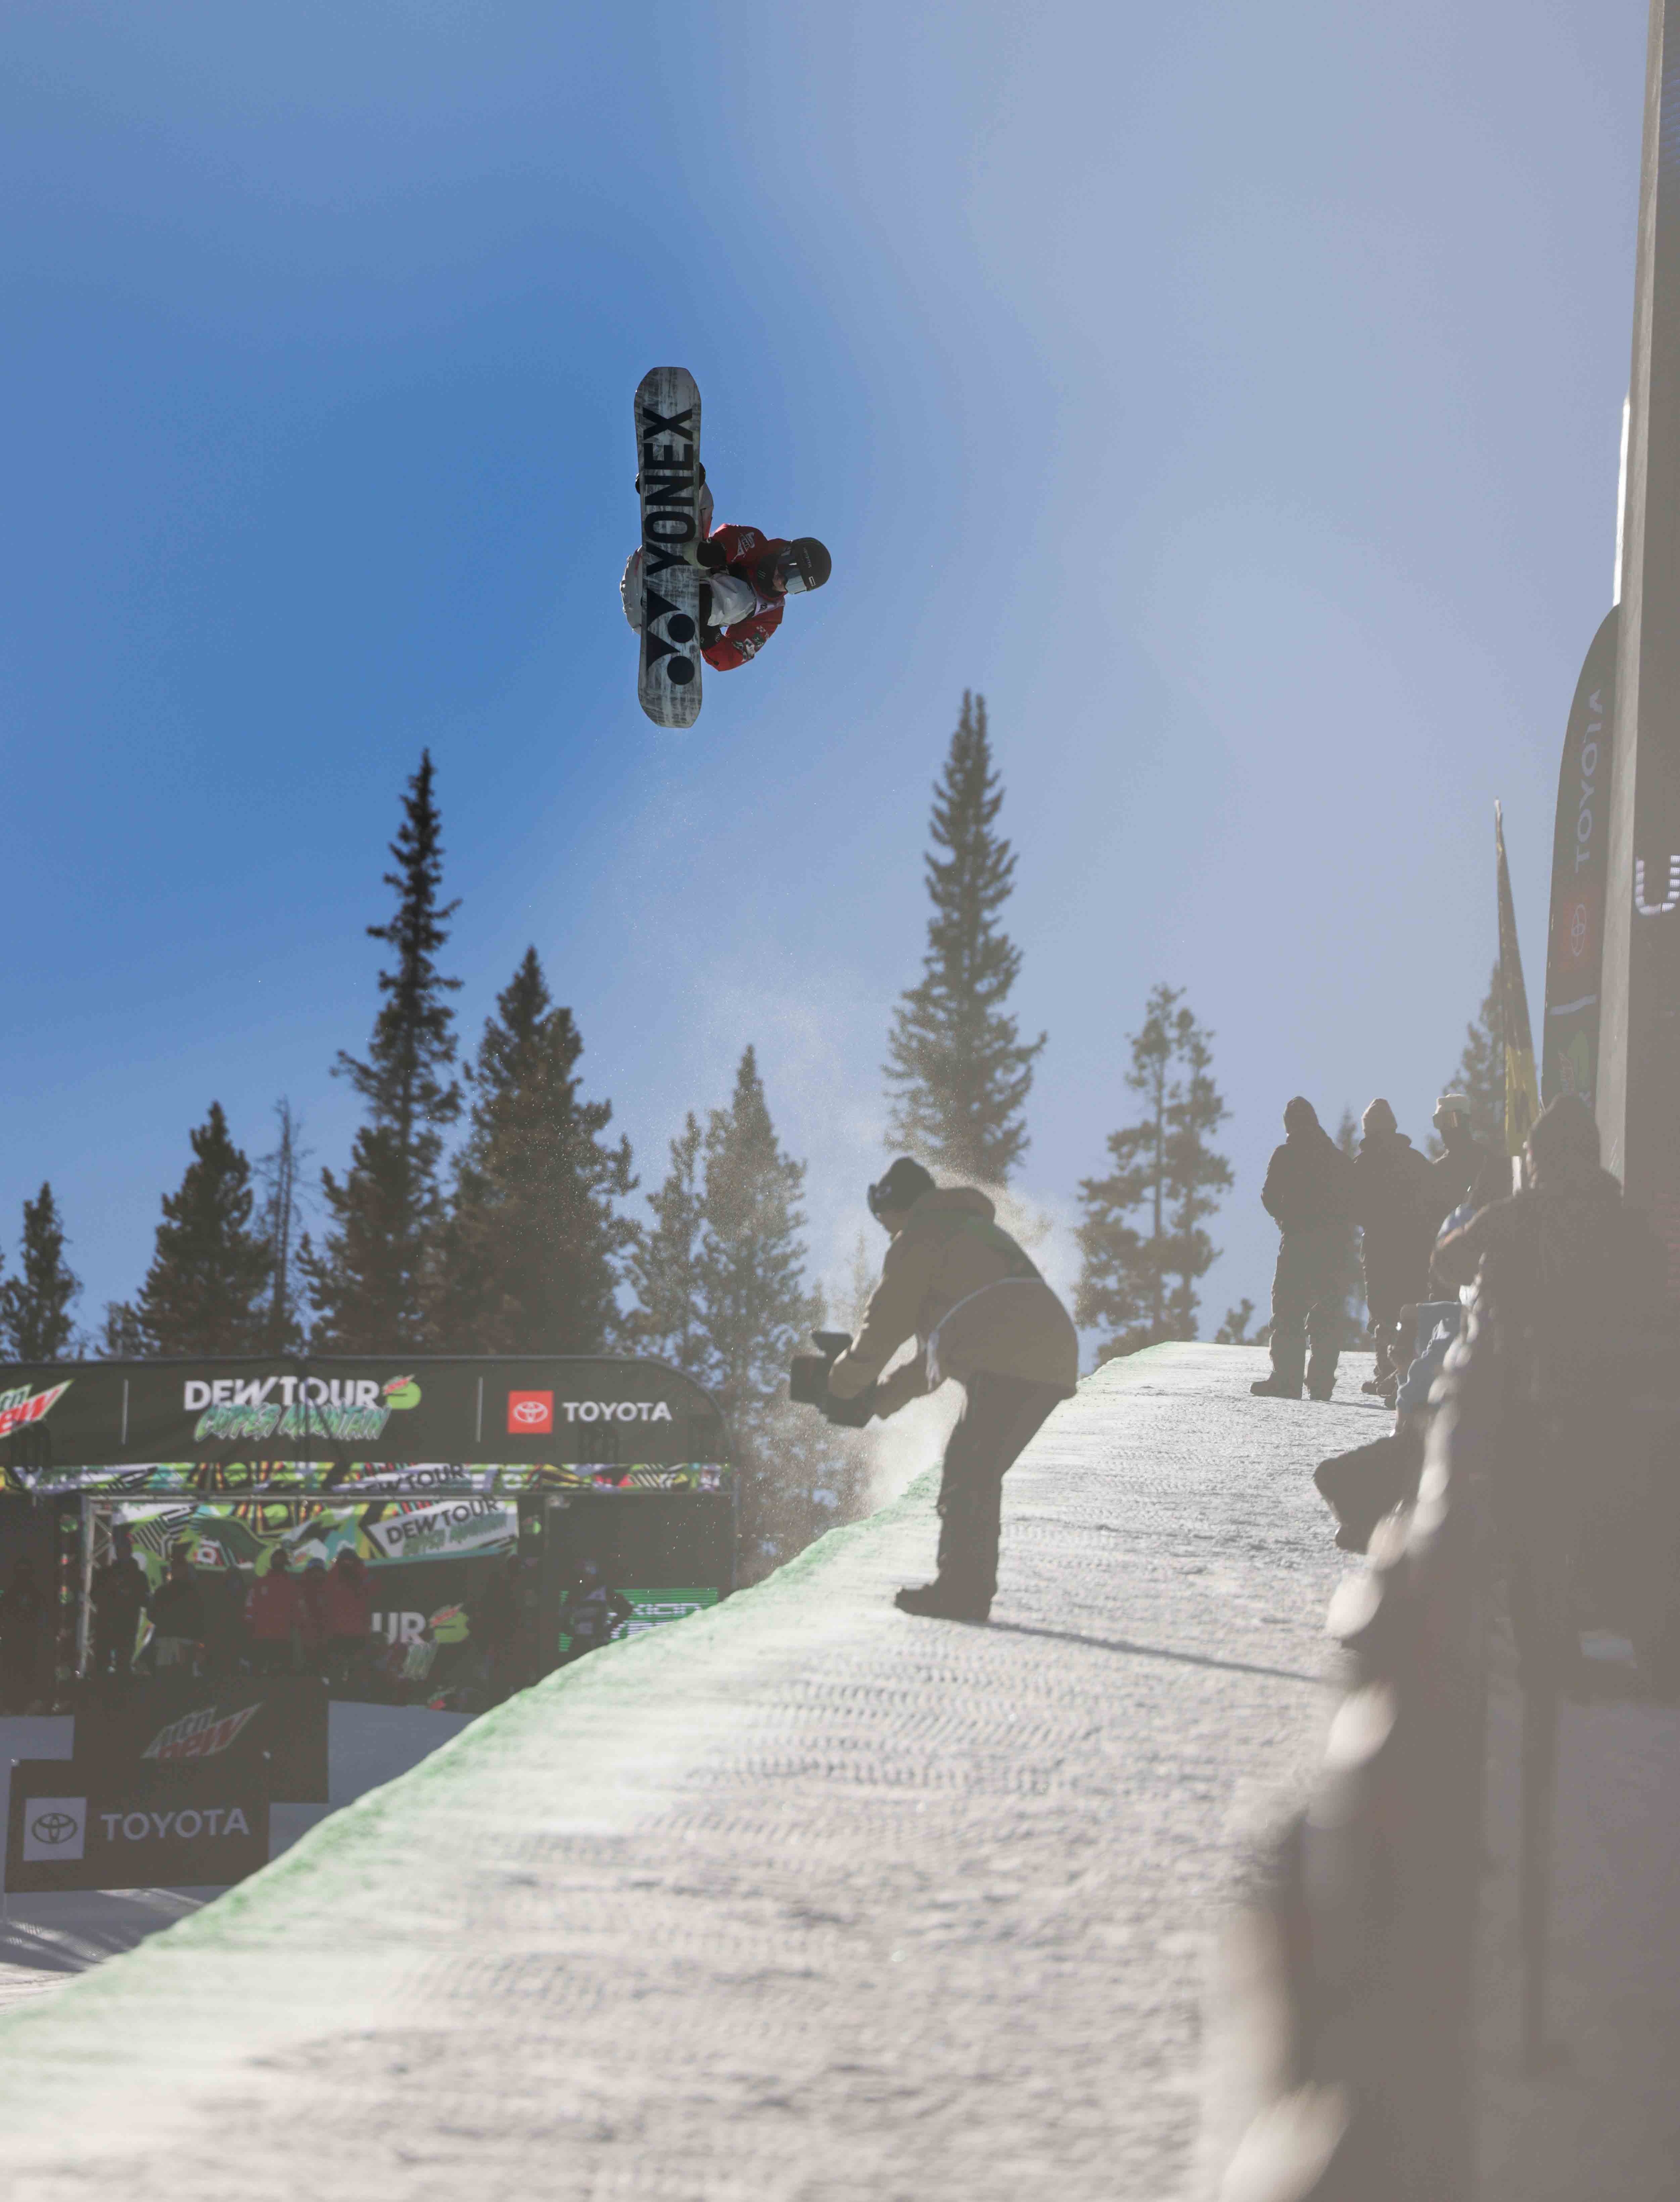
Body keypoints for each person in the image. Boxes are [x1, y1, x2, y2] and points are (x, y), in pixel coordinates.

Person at [827, 1157, 1079, 1623]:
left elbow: (885, 1325)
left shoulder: (921, 1237)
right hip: (1050, 1354)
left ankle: (963, 1593)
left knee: (969, 1470)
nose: (885, 1232)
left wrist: (842, 1384)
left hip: (1010, 1353)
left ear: (895, 1206)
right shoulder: (965, 1233)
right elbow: (936, 1355)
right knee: (975, 1467)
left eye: (883, 1218)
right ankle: (968, 1588)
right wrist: (880, 1400)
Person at [622, 474, 831, 672]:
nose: (783, 580)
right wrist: (715, 552)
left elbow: (734, 655)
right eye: (789, 567)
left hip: (651, 619)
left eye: (795, 584)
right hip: (650, 568)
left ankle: (690, 610)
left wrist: (709, 637)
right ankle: (666, 487)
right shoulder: (757, 543)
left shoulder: (770, 615)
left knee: (747, 600)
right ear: (786, 552)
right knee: (705, 501)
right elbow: (730, 541)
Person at [1251, 1097, 1357, 1401]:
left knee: (1288, 1310)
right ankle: (1321, 1385)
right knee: (1326, 1313)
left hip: (1297, 1243)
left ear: (1289, 1124)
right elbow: (1354, 1201)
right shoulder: (1337, 1158)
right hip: (1332, 1248)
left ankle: (1287, 1380)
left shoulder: (1286, 1154)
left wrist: (1287, 1218)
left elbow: (1269, 1196)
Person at [1352, 1098, 1440, 1400]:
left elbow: (1352, 1206)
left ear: (1369, 1129)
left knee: (1383, 1311)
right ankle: (1402, 1375)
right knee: (1411, 1308)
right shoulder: (1415, 1160)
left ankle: (1386, 1374)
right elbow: (1436, 1199)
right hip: (1415, 1248)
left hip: (1379, 1247)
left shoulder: (1363, 1164)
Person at [1429, 1092, 1507, 1218]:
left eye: (1449, 1121)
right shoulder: (1438, 1169)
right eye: (1439, 1122)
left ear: (1464, 1121)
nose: (1444, 1129)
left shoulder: (1485, 1159)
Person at [90, 1524, 148, 1679]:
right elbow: (94, 1597)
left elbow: (145, 1600)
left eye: (125, 1548)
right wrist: (111, 1590)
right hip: (107, 1626)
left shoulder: (139, 1577)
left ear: (130, 1551)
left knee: (123, 1666)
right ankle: (100, 1694)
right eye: (119, 1548)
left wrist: (130, 1594)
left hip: (126, 1626)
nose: (122, 1551)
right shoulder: (105, 1574)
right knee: (102, 1665)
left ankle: (121, 1694)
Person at [145, 1547, 207, 1674]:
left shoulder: (163, 1592)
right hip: (179, 1639)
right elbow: (200, 1617)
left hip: (171, 1639)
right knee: (180, 1676)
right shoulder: (192, 1592)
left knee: (168, 1676)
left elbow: (152, 1614)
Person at [558, 1559, 632, 1664]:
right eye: (584, 1574)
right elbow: (561, 1620)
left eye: (589, 1573)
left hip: (598, 1643)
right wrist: (575, 1634)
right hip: (580, 1645)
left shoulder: (604, 1592)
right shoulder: (574, 1595)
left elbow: (627, 1609)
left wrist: (609, 1628)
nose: (586, 1577)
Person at [0, 1554, 47, 1712]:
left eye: (25, 1572)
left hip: (29, 1642)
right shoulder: (9, 1595)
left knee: (29, 1671)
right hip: (13, 1642)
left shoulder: (36, 1595)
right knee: (14, 1672)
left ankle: (27, 1703)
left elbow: (41, 1619)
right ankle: (12, 1703)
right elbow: (4, 1618)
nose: (23, 1576)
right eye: (21, 1572)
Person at [324, 1549, 373, 1695]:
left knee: (356, 1667)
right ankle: (337, 1692)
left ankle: (353, 1693)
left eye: (350, 1561)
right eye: (344, 1561)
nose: (347, 1564)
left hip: (357, 1632)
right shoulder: (332, 1578)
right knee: (337, 1667)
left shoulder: (364, 1578)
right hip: (337, 1631)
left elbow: (372, 1597)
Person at [245, 1548, 299, 1675]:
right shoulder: (260, 1583)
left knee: (280, 1671)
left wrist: (297, 1623)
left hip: (283, 1635)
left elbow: (297, 1607)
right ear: (272, 1561)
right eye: (276, 1559)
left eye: (281, 1559)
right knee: (262, 1670)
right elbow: (250, 1603)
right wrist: (249, 1621)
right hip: (263, 1634)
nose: (278, 1562)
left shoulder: (291, 1585)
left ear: (285, 1562)